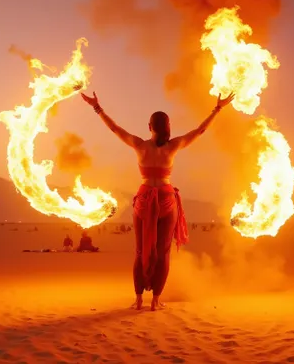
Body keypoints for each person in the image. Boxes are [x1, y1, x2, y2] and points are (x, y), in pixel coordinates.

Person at [81, 89, 235, 311]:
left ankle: (138, 299)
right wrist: (217, 109)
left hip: (144, 198)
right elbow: (200, 130)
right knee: (163, 252)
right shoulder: (174, 146)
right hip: (165, 198)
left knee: (141, 250)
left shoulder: (139, 145)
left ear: (149, 127)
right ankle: (155, 300)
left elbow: (114, 128)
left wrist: (97, 107)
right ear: (168, 127)